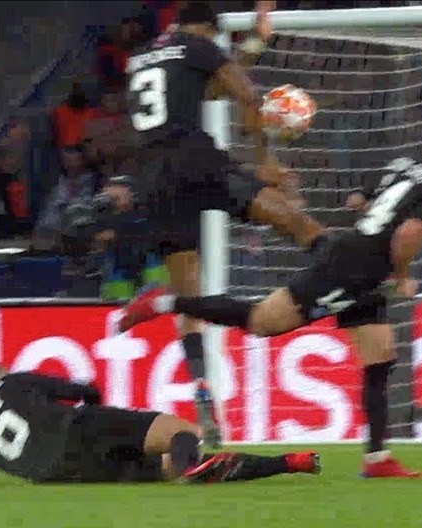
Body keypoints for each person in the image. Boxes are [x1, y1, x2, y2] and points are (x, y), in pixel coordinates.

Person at [119, 105, 422, 479]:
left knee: (380, 354)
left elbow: (358, 200)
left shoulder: (414, 164)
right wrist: (403, 277)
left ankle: (377, 458)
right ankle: (164, 301)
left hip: (359, 258)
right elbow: (409, 233)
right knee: (261, 321)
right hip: (356, 268)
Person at [121, 1, 320, 448]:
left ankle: (203, 394)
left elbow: (209, 88)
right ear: (209, 30)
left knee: (189, 299)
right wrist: (265, 161)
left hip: (150, 178)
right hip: (193, 162)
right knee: (288, 215)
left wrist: (255, 44)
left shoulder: (144, 57)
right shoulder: (199, 44)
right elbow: (245, 95)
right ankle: (339, 269)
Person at [0, 364, 321, 487]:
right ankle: (282, 461)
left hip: (64, 473)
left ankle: (290, 462)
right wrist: (102, 411)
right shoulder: (14, 382)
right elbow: (81, 390)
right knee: (183, 433)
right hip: (80, 429)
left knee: (164, 470)